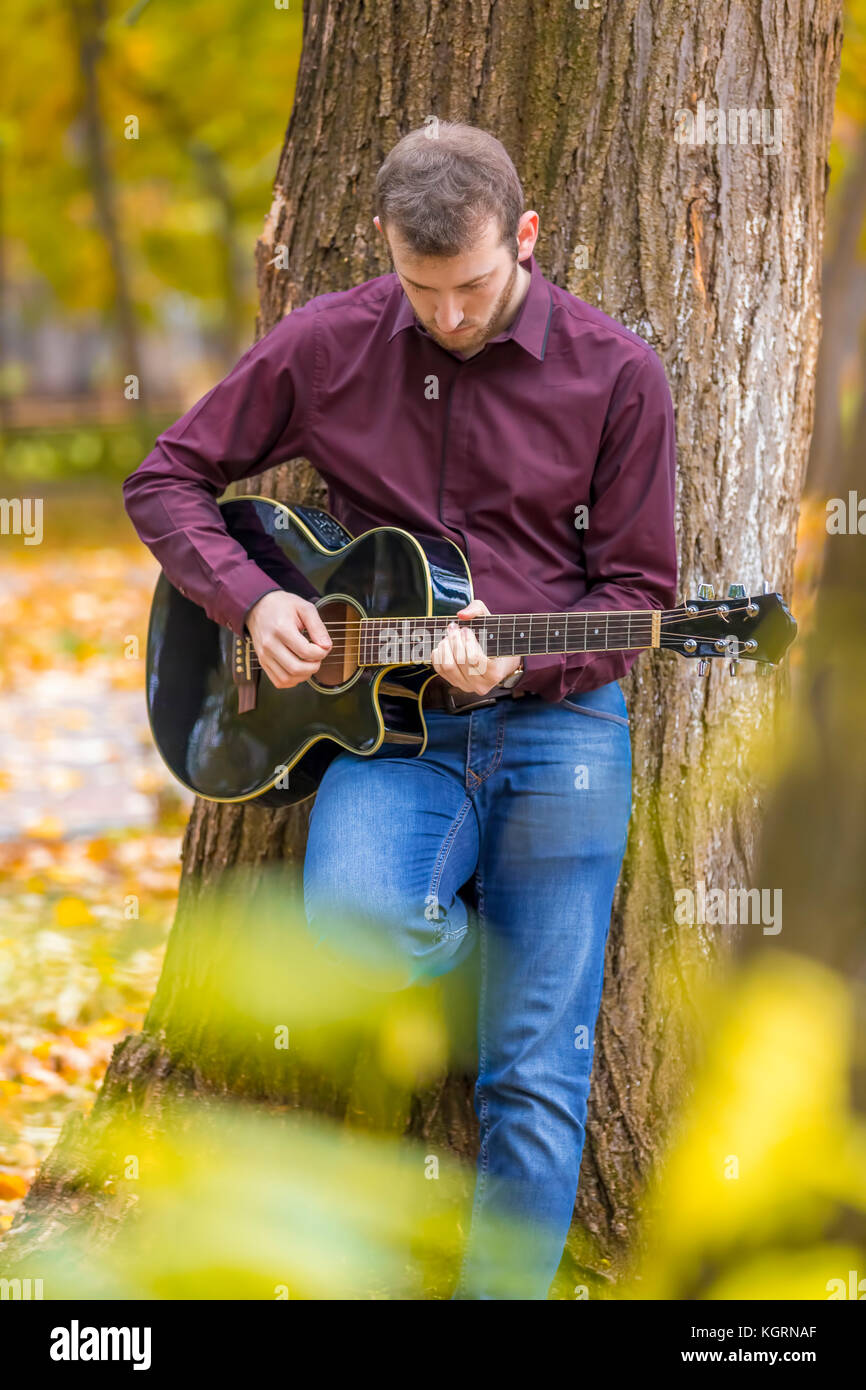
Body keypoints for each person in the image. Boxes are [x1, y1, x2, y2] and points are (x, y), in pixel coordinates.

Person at [123, 121, 677, 1299]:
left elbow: (635, 604)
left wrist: (516, 668)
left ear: (523, 239)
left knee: (532, 1081)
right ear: (384, 247)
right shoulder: (327, 345)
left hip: (556, 724)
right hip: (384, 732)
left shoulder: (616, 373)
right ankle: (529, 998)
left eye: (473, 285)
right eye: (422, 290)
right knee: (356, 932)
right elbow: (164, 478)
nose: (450, 318)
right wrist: (254, 599)